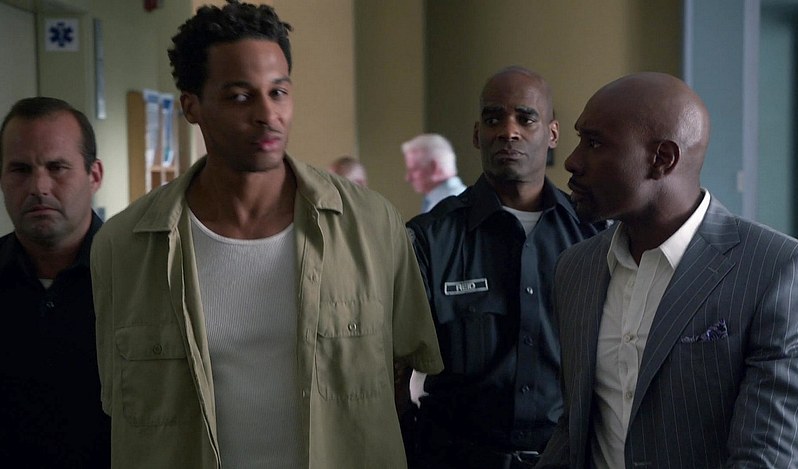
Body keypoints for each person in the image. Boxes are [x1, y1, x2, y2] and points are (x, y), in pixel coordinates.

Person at [90, 2, 443, 468]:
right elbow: (120, 405)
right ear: (192, 106)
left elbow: (404, 376)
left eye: (278, 92)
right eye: (240, 96)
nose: (267, 114)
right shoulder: (125, 246)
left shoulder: (372, 225)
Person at [536, 72, 798, 469]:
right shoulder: (576, 268)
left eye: (594, 143)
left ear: (663, 159)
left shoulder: (782, 274)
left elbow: (771, 457)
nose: (572, 161)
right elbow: (575, 432)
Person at [405, 66, 604, 469]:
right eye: (494, 119)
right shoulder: (429, 238)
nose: (508, 131)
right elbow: (393, 364)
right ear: (477, 134)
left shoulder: (595, 236)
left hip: (565, 457)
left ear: (552, 134)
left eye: (525, 119)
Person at [0, 97, 109, 467]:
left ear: (94, 176)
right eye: (20, 170)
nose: (39, 187)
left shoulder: (141, 277)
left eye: (57, 167)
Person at [402, 133, 467, 212]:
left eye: (414, 169)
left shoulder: (450, 206)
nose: (408, 178)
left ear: (434, 167)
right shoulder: (439, 201)